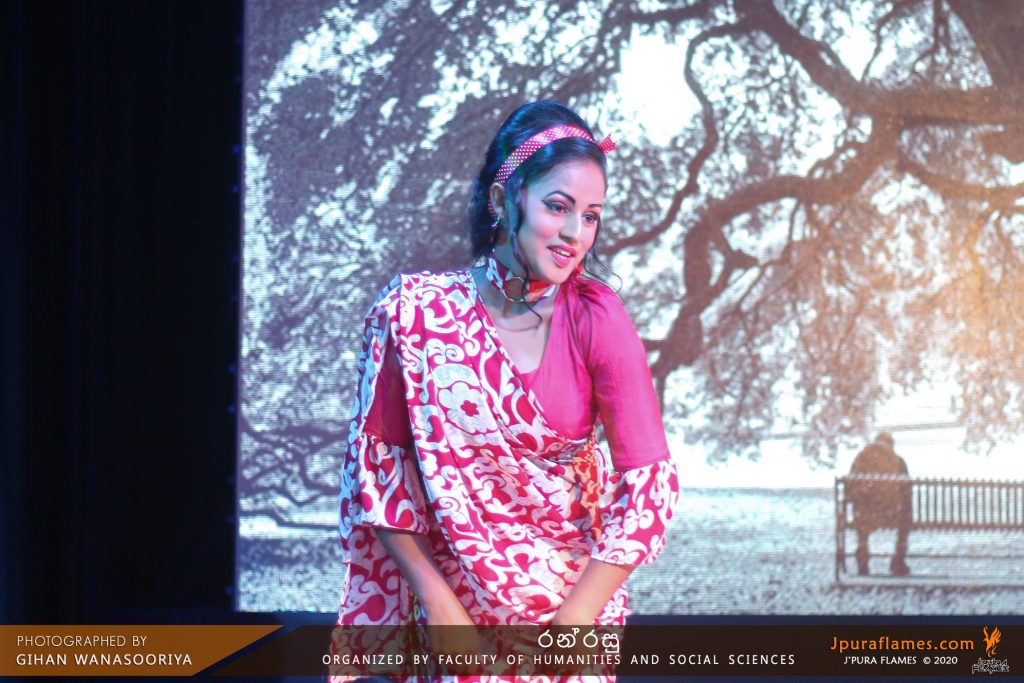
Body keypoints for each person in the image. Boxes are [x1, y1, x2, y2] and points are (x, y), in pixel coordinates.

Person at [330, 101, 680, 681]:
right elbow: (380, 471)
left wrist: (578, 619)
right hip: (455, 619)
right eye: (558, 207)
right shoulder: (414, 313)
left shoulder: (597, 317)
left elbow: (650, 486)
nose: (575, 234)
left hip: (572, 617)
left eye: (591, 216)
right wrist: (437, 602)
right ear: (503, 199)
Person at [847, 432, 911, 577]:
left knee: (862, 524)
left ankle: (862, 561)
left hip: (864, 516)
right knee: (905, 521)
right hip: (891, 516)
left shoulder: (861, 459)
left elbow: (849, 489)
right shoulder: (898, 461)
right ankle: (898, 562)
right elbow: (907, 492)